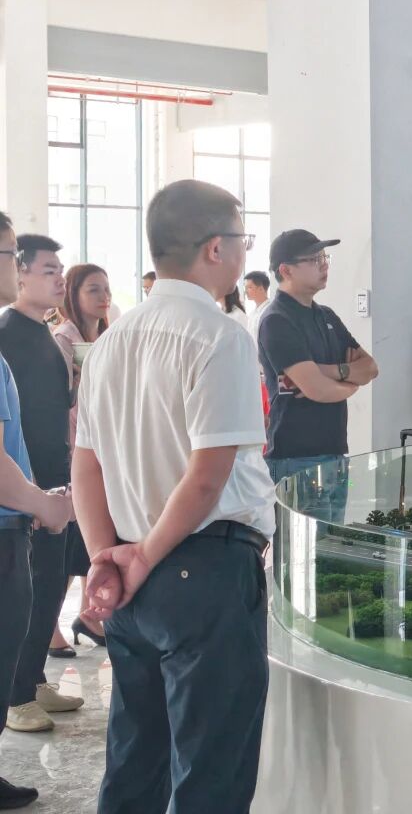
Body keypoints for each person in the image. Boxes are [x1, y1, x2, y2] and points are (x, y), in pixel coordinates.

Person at [71, 180, 274, 814]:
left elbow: (85, 465)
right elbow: (207, 477)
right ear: (215, 248)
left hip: (132, 573)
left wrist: (106, 557)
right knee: (211, 767)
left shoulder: (112, 341)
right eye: (241, 239)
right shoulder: (220, 336)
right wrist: (141, 556)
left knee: (136, 757)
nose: (243, 252)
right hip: (203, 570)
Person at [0, 213, 73, 812]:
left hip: (40, 489)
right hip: (21, 499)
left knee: (45, 590)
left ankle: (30, 680)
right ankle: (17, 693)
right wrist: (36, 499)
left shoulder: (45, 334)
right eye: (46, 270)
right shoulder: (7, 335)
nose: (57, 279)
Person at [257, 230, 378, 524]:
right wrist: (350, 383)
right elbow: (318, 391)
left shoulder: (326, 316)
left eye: (324, 257)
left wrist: (332, 372)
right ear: (286, 270)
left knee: (330, 546)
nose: (324, 265)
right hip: (295, 458)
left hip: (334, 453)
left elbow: (371, 368)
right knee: (303, 549)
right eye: (313, 260)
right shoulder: (277, 320)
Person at [51, 263, 112, 651]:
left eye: (106, 289)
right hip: (72, 450)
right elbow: (57, 399)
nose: (104, 296)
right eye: (93, 289)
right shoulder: (63, 339)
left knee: (91, 542)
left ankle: (90, 615)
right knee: (69, 547)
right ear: (73, 295)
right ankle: (50, 626)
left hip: (100, 448)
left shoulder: (106, 338)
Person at [243, 270, 271, 341]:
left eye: (249, 287)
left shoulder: (269, 312)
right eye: (245, 288)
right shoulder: (252, 314)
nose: (245, 291)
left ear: (261, 289)